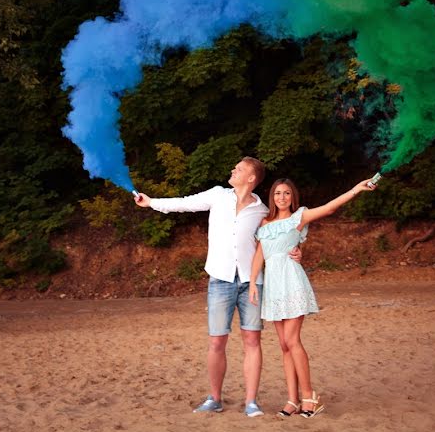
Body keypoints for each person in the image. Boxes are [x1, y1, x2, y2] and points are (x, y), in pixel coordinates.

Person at [134, 157, 301, 417]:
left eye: (239, 169)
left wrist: (296, 250)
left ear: (251, 178)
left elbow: (279, 232)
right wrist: (152, 202)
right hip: (220, 279)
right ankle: (214, 398)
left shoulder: (261, 210)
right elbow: (184, 203)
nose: (232, 170)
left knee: (252, 340)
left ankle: (251, 402)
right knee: (216, 341)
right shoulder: (217, 195)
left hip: (252, 283)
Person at [249, 175, 378, 418]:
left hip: (293, 281)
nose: (282, 197)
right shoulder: (264, 223)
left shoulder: (299, 217)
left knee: (292, 340)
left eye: (287, 193)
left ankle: (310, 397)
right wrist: (253, 283)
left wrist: (355, 189)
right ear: (272, 197)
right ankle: (292, 400)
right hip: (274, 285)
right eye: (278, 193)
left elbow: (330, 208)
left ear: (293, 197)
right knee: (284, 345)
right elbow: (259, 255)